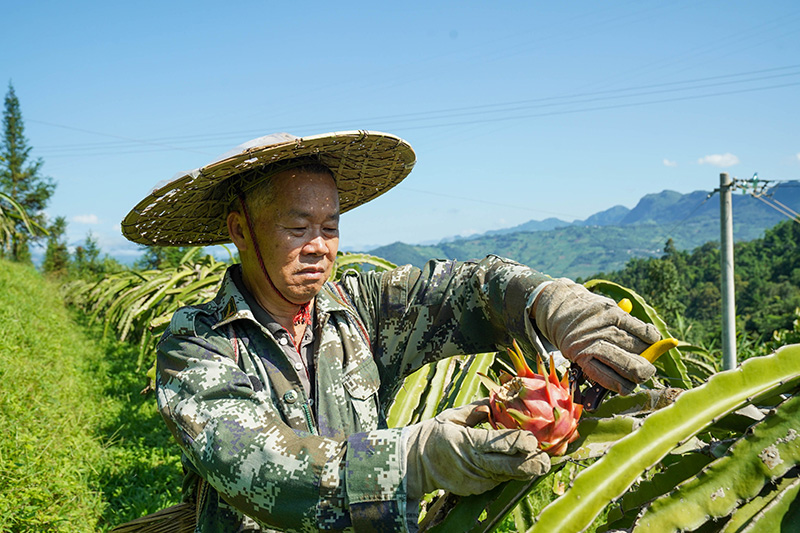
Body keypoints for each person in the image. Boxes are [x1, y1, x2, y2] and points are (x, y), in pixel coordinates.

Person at [121, 131, 660, 532]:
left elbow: (469, 288)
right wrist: (420, 457)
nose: (319, 246)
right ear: (241, 230)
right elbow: (262, 468)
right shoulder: (198, 345)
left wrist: (551, 303)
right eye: (295, 227)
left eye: (330, 227)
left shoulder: (359, 309)